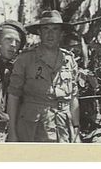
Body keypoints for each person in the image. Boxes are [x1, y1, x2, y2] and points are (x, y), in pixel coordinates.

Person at [7, 10, 80, 142]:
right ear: (39, 32)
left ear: (62, 33)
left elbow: (73, 98)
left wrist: (76, 129)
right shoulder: (26, 58)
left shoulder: (69, 60)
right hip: (32, 128)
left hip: (63, 127)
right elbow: (13, 96)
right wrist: (12, 132)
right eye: (45, 29)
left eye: (55, 29)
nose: (50, 34)